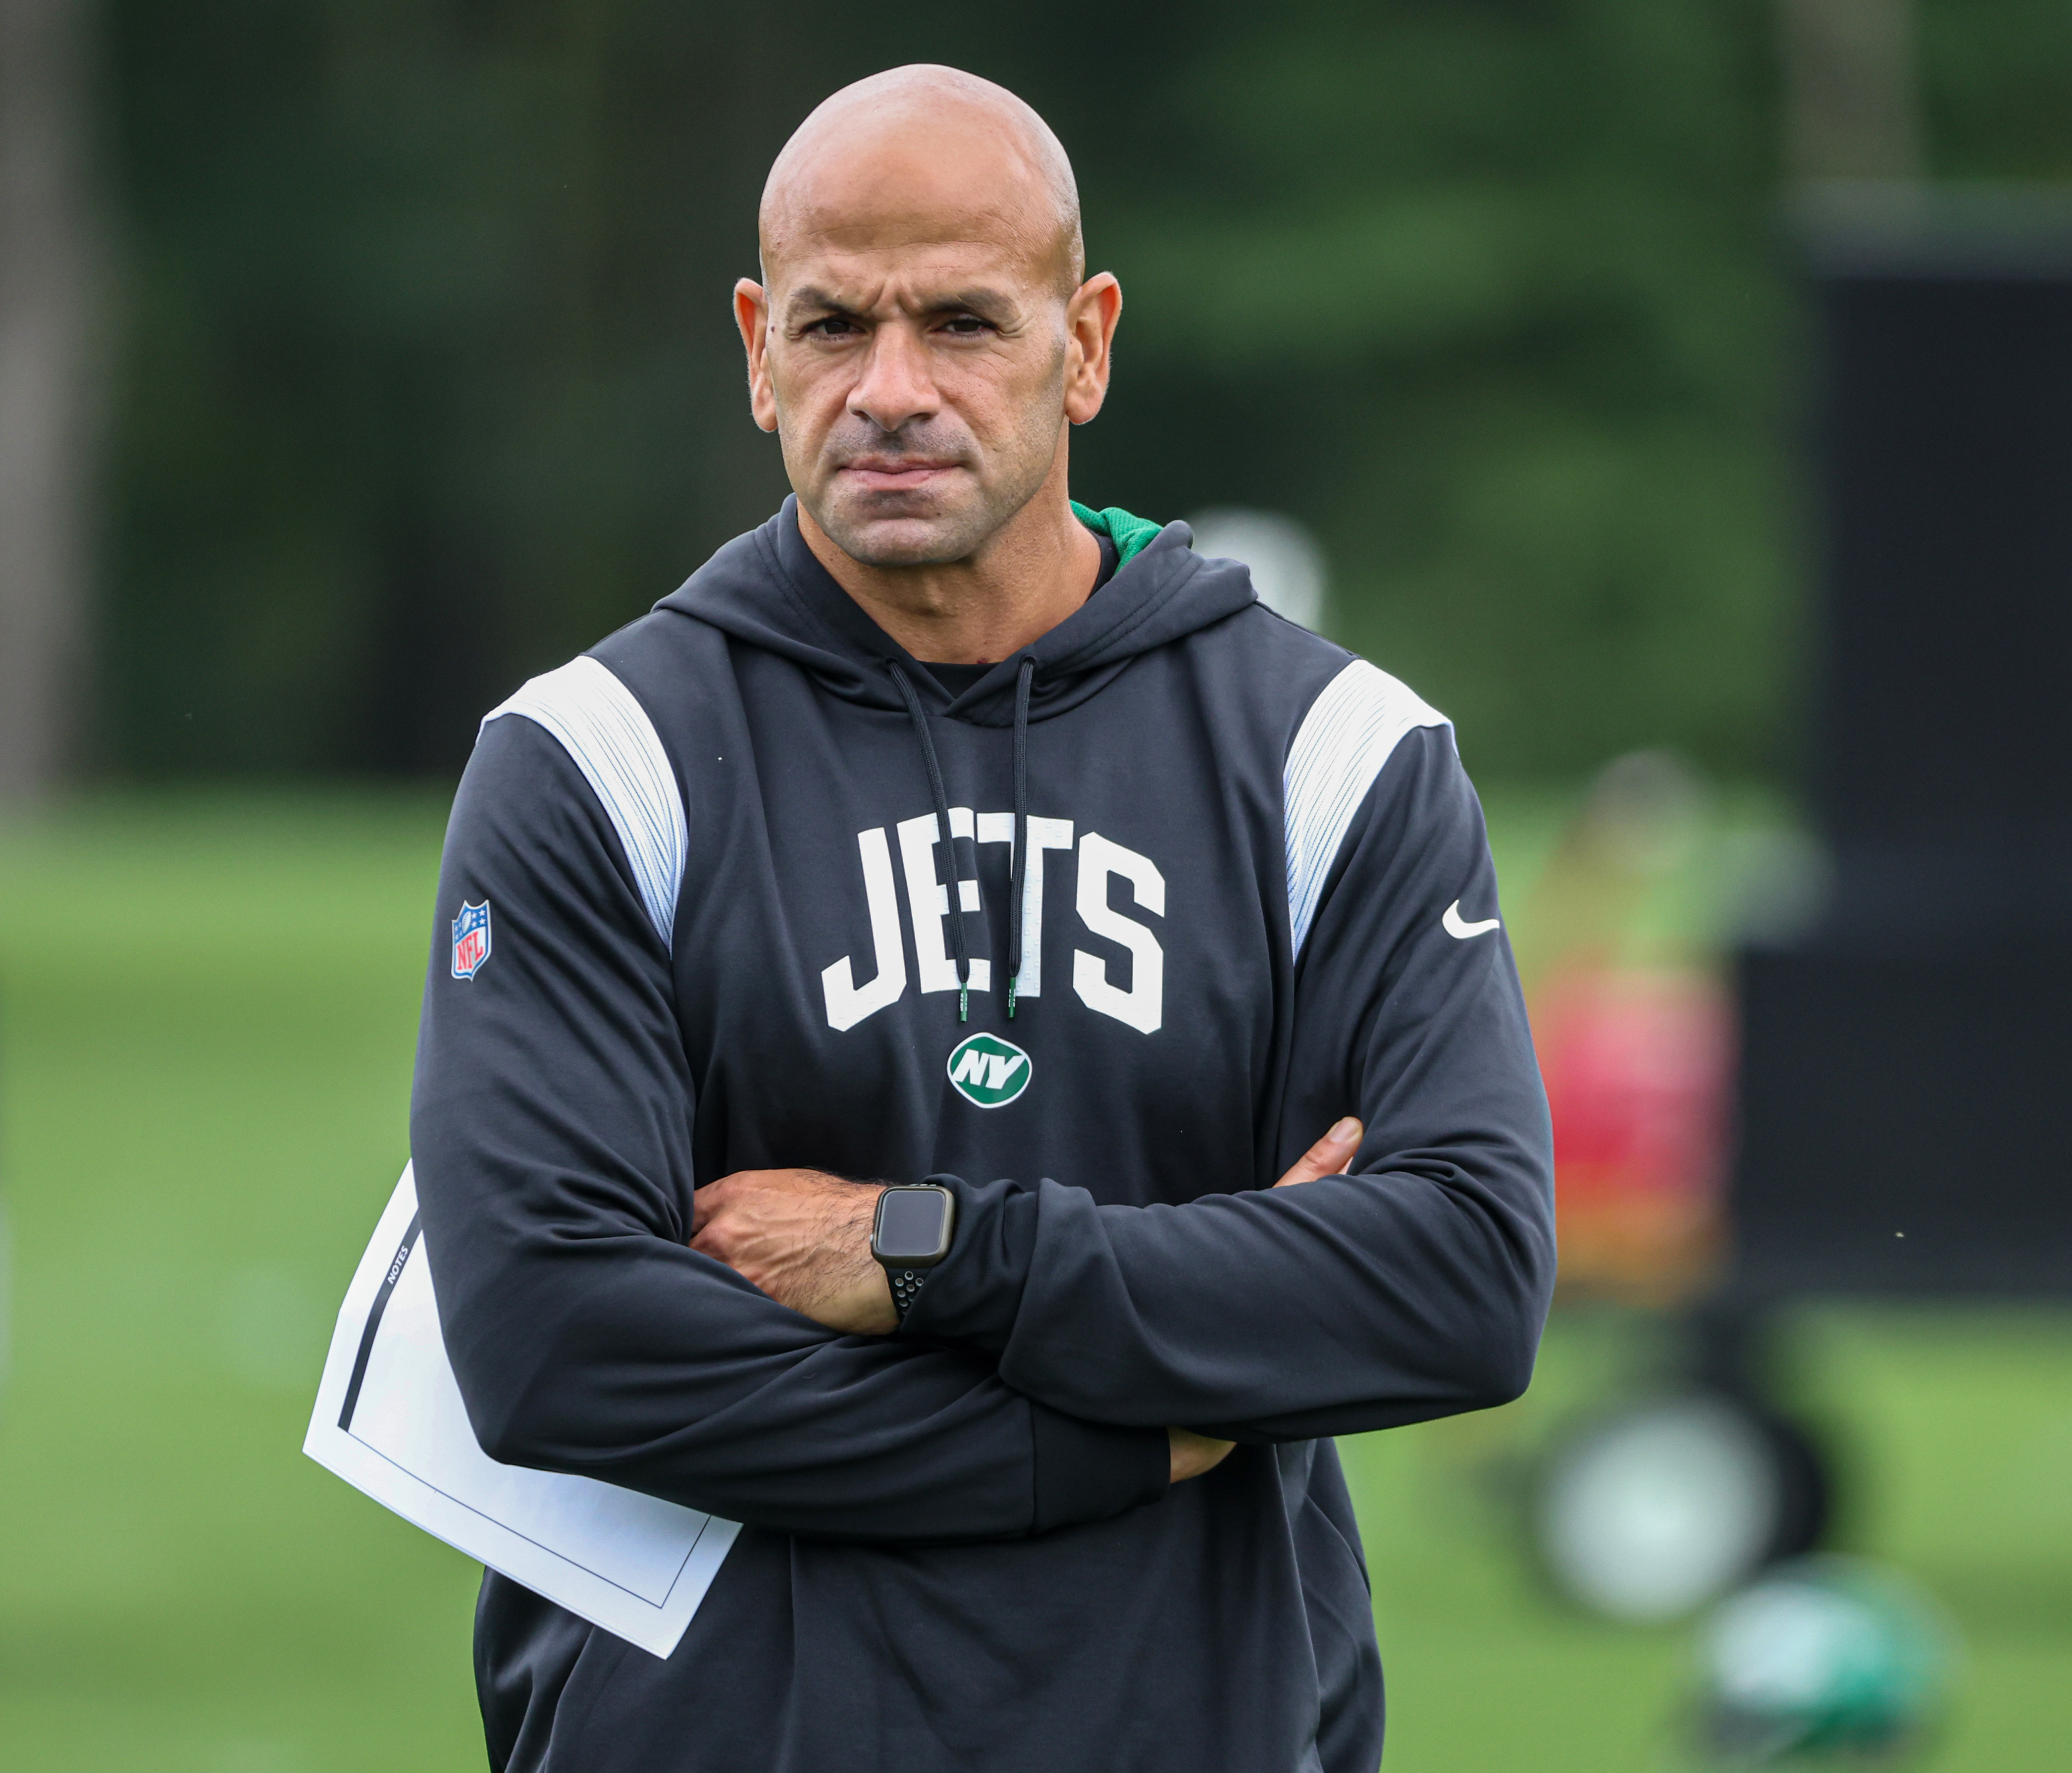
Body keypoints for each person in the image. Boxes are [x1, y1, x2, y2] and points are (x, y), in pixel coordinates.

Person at [410, 63, 1554, 1773]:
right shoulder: (593, 759)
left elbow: (1462, 1272)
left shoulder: (1339, 759)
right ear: (753, 346)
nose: (890, 391)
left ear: (1084, 343)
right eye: (831, 327)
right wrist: (1149, 1420)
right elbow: (557, 1345)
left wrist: (935, 1251)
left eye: (961, 323)